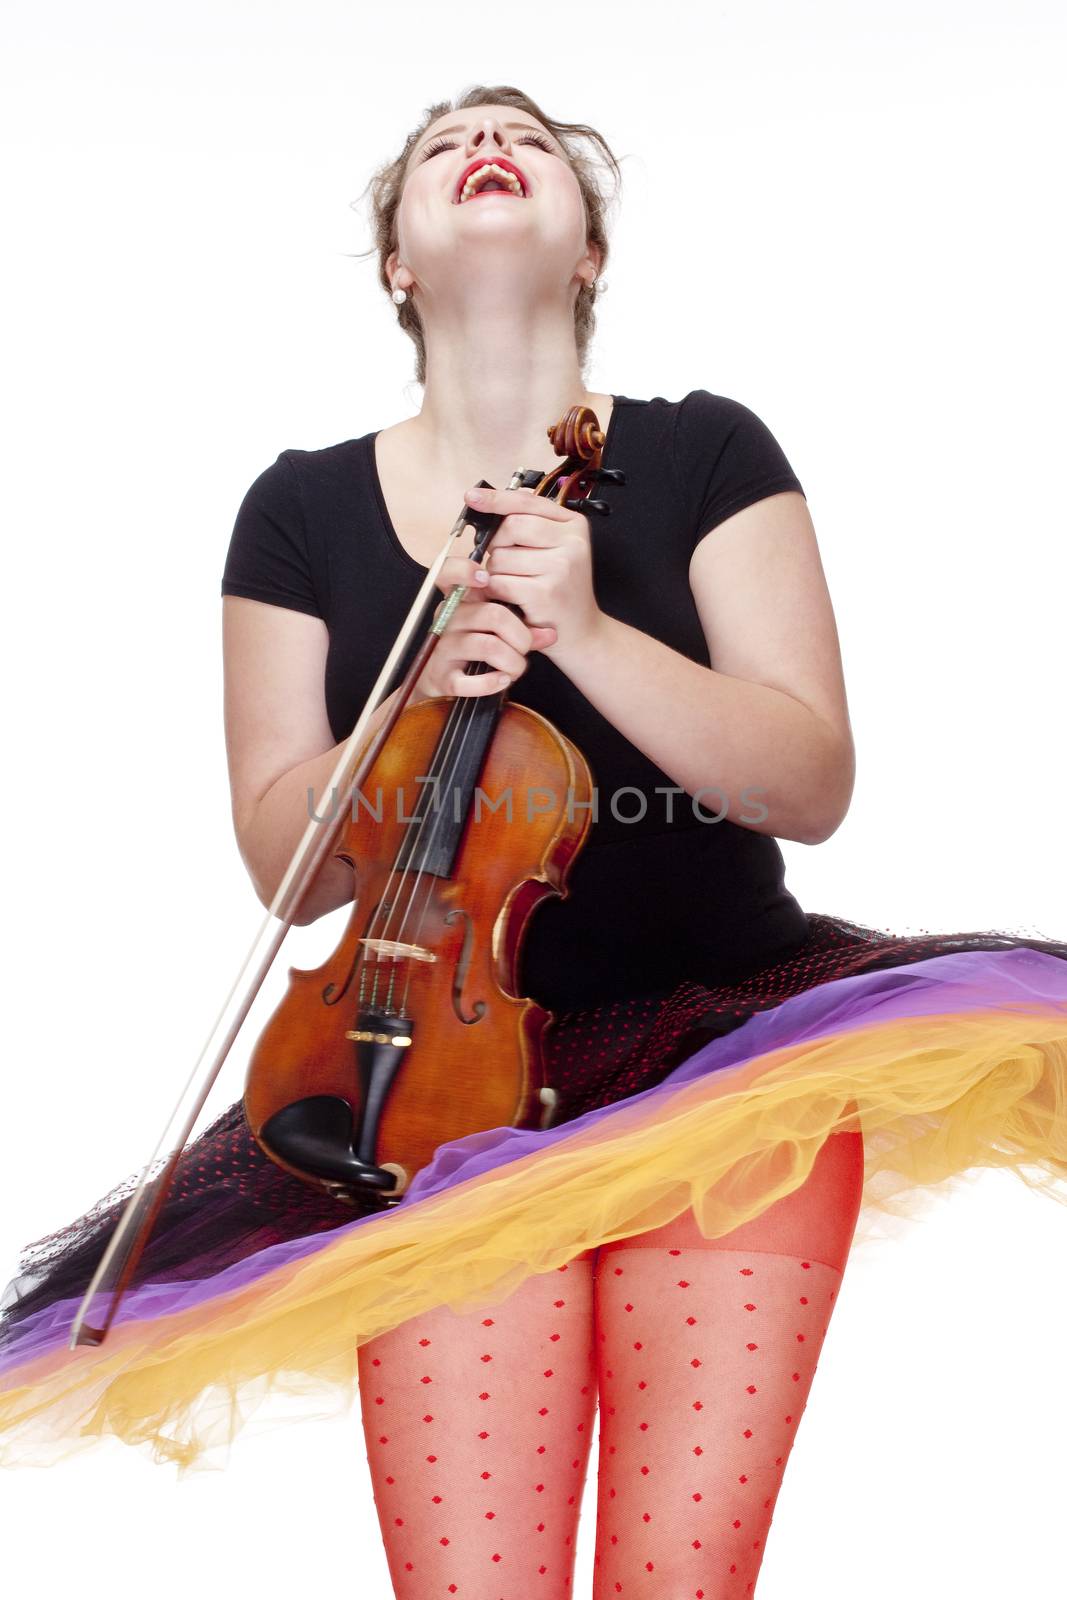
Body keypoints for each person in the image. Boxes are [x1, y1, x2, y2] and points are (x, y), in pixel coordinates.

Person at [2, 87, 1066, 1600]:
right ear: (395, 268)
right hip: (431, 1088)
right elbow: (286, 871)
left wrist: (583, 624)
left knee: (683, 1584)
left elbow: (808, 779)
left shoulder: (706, 453)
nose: (482, 143)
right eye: (440, 147)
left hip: (727, 1066)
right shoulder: (299, 510)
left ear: (588, 249)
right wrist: (409, 705)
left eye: (527, 141)